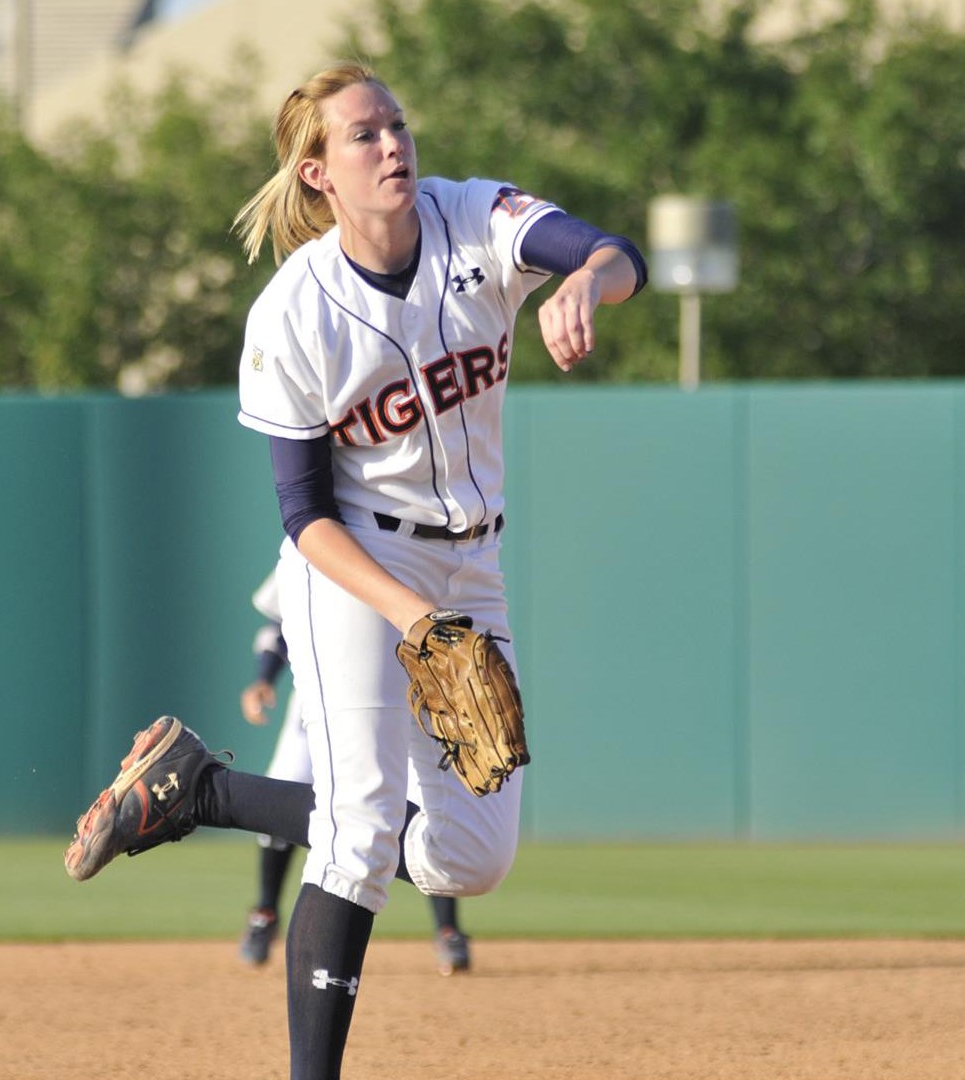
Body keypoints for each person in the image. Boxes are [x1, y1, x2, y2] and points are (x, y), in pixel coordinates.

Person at [64, 61, 644, 1080]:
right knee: (359, 834)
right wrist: (410, 617)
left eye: (396, 125)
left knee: (471, 857)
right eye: (363, 135)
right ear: (317, 171)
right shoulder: (293, 313)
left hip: (473, 565)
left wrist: (590, 278)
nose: (391, 146)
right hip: (355, 567)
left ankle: (202, 790)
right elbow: (302, 517)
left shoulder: (473, 220)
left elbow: (612, 249)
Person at [237, 566, 472, 976]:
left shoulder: (420, 544)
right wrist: (263, 679)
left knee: (427, 804)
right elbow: (278, 623)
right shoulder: (317, 538)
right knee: (287, 785)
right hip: (325, 692)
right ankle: (265, 913)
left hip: (411, 691)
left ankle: (449, 930)